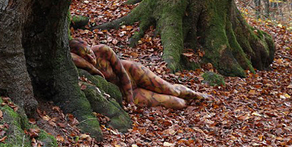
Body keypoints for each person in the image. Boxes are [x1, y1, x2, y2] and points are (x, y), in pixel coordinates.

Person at [70, 39, 208, 109]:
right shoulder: (78, 62)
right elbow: (70, 56)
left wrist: (130, 100)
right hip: (125, 91)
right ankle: (187, 99)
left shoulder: (103, 50)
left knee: (172, 90)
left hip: (132, 73)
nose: (91, 57)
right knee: (177, 103)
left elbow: (122, 73)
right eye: (85, 56)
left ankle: (196, 94)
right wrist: (91, 67)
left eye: (89, 52)